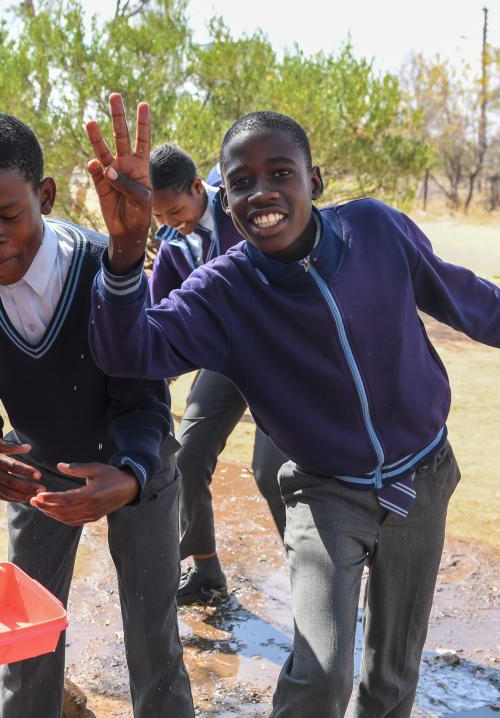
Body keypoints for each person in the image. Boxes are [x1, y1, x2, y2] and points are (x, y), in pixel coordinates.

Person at [82, 96, 500, 717]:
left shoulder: (374, 229)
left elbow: (466, 297)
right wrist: (124, 252)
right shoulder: (222, 291)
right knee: (319, 674)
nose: (262, 191)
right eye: (241, 182)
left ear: (313, 181)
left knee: (392, 680)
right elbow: (131, 351)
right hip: (323, 492)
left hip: (422, 476)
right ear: (224, 199)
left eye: (280, 173)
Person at [0, 112, 193, 718]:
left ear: (43, 196)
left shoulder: (110, 266)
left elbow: (142, 397)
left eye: (7, 216)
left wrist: (129, 475)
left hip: (140, 466)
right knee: (27, 636)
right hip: (38, 471)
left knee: (153, 633)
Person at [149, 143, 287, 606]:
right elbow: (158, 317)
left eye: (175, 210)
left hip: (280, 357)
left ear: (197, 188)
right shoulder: (173, 243)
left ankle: (317, 574)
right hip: (227, 362)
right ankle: (207, 571)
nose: (171, 223)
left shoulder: (243, 212)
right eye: (160, 217)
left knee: (272, 472)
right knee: (187, 456)